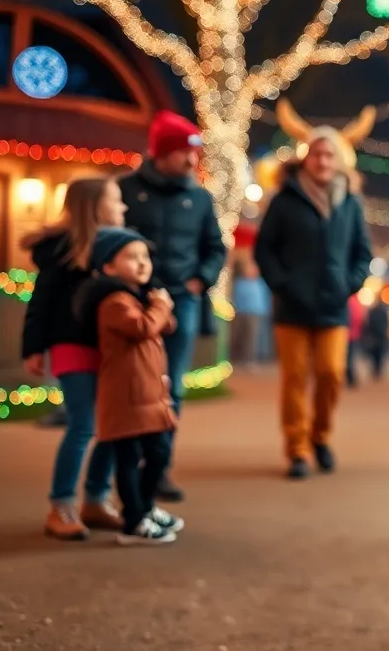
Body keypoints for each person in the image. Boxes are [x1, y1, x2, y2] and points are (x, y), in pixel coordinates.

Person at [117, 110, 226, 503]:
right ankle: (124, 468)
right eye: (185, 153)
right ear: (163, 153)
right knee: (129, 384)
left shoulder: (199, 198)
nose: (192, 161)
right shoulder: (126, 189)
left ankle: (158, 469)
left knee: (170, 386)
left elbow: (215, 247)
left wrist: (200, 280)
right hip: (133, 302)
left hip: (181, 302)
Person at [254, 127, 372, 480]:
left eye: (329, 155)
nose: (323, 161)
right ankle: (297, 450)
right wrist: (282, 284)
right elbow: (265, 249)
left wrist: (349, 284)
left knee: (331, 373)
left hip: (333, 306)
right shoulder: (285, 199)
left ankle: (320, 436)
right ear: (306, 158)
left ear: (338, 162)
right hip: (292, 306)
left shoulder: (350, 203)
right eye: (317, 154)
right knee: (294, 379)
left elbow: (362, 254)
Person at [22, 178, 128, 540]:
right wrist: (33, 347)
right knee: (83, 424)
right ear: (93, 206)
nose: (124, 207)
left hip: (109, 349)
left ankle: (96, 499)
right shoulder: (62, 252)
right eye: (117, 200)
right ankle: (61, 504)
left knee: (114, 426)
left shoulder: (118, 249)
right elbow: (42, 301)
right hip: (71, 345)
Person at [76, 227, 184, 546]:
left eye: (145, 257)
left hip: (147, 395)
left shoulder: (139, 297)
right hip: (126, 396)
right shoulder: (113, 301)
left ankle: (145, 507)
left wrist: (158, 305)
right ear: (108, 267)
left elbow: (166, 325)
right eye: (131, 257)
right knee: (129, 458)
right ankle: (133, 522)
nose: (142, 263)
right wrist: (161, 307)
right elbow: (144, 327)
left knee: (159, 453)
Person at [230, 257, 269, 371]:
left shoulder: (260, 283)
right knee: (238, 336)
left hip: (256, 313)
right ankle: (236, 359)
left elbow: (264, 299)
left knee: (251, 337)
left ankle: (249, 359)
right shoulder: (239, 283)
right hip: (240, 313)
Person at [364, 298, 389, 380]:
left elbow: (368, 323)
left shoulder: (372, 311)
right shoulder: (384, 312)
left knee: (376, 354)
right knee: (379, 354)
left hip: (374, 335)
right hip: (380, 335)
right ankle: (378, 370)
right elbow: (387, 323)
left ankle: (376, 370)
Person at [345, 293, 367, 388]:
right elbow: (360, 318)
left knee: (349, 357)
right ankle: (350, 376)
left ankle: (350, 376)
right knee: (350, 356)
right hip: (352, 334)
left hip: (348, 334)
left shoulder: (351, 301)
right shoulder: (355, 301)